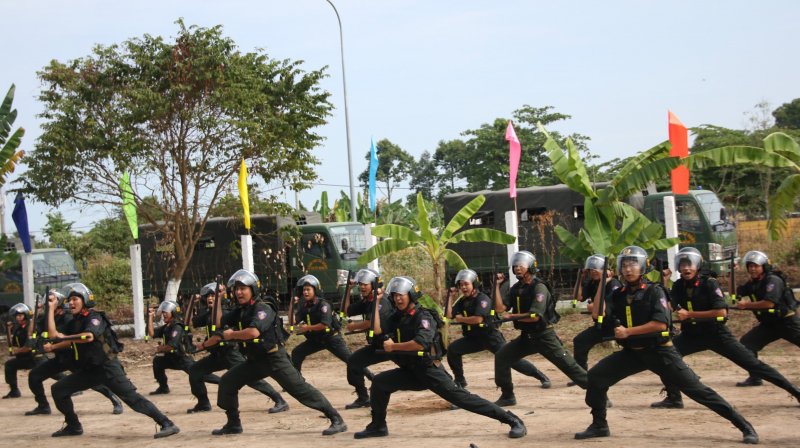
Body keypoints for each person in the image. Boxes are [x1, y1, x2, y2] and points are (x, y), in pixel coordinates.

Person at [575, 246, 758, 444]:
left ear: (643, 267)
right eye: (625, 265)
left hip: (660, 352)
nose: (628, 269)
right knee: (596, 376)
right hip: (632, 353)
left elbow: (660, 324)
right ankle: (599, 425)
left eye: (633, 264)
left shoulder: (655, 291)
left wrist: (628, 332)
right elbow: (597, 314)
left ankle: (743, 425)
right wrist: (602, 284)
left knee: (698, 391)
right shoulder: (618, 293)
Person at [354, 276, 527, 439]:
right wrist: (376, 303)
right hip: (410, 371)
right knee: (380, 382)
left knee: (463, 399)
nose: (398, 298)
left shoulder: (423, 316)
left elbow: (420, 343)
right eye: (395, 295)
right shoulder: (397, 317)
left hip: (429, 370)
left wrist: (394, 347)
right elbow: (377, 330)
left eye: (402, 294)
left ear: (411, 295)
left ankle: (512, 420)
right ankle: (378, 425)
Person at [649, 247, 800, 409]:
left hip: (717, 334)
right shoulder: (679, 285)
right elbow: (668, 308)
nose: (686, 268)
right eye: (683, 264)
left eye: (690, 264)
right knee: (663, 357)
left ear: (698, 265)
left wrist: (690, 314)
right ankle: (674, 398)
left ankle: (795, 392)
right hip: (691, 335)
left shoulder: (709, 283)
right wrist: (665, 281)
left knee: (754, 365)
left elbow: (721, 312)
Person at [210, 270, 346, 436]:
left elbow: (253, 332)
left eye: (243, 288)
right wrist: (218, 298)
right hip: (255, 361)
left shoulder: (263, 308)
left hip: (274, 359)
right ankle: (233, 423)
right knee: (227, 381)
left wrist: (232, 335)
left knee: (300, 390)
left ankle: (336, 419)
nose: (239, 292)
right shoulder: (241, 309)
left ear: (253, 289)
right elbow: (218, 322)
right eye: (236, 289)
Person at [46, 283, 179, 438]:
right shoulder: (75, 322)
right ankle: (73, 426)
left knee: (132, 399)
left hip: (107, 368)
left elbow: (88, 336)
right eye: (70, 300)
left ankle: (167, 424)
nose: (71, 303)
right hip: (90, 370)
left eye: (75, 299)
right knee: (59, 390)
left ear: (85, 300)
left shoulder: (95, 317)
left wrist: (65, 337)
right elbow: (53, 334)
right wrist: (50, 308)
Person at [493, 251, 587, 406]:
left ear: (530, 267)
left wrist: (512, 316)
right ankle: (507, 396)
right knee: (502, 357)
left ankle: (599, 395)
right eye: (515, 265)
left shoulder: (539, 287)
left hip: (544, 336)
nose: (517, 268)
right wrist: (496, 286)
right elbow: (499, 308)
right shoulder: (516, 288)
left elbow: (535, 316)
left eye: (521, 265)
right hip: (527, 337)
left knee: (571, 367)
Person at [446, 269, 549, 401]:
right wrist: (450, 297)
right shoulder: (462, 301)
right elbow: (449, 315)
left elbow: (478, 319)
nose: (463, 287)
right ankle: (460, 380)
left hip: (490, 337)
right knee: (453, 349)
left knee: (511, 359)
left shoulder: (482, 299)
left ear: (474, 284)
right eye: (461, 285)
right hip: (474, 338)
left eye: (466, 284)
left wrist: (461, 319)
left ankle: (539, 375)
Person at [186, 282, 288, 414]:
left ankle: (279, 399)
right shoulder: (208, 315)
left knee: (252, 380)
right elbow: (188, 322)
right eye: (208, 296)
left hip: (230, 354)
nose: (210, 298)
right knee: (195, 370)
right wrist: (191, 303)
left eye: (213, 296)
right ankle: (203, 403)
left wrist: (203, 345)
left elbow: (218, 336)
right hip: (217, 355)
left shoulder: (224, 313)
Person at [25, 289, 123, 416]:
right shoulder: (47, 318)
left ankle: (115, 400)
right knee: (34, 376)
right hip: (60, 357)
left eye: (51, 301)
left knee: (93, 382)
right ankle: (43, 406)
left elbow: (71, 340)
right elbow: (31, 331)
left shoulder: (67, 317)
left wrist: (53, 347)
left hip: (73, 356)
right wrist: (37, 312)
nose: (47, 304)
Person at [291, 275, 370, 398]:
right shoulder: (304, 307)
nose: (305, 292)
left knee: (351, 359)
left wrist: (308, 328)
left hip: (331, 339)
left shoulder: (324, 305)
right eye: (304, 290)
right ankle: (296, 382)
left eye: (308, 290)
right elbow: (293, 321)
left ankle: (372, 377)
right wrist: (291, 305)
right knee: (297, 353)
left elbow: (325, 325)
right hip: (316, 340)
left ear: (315, 290)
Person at [734, 250, 800, 387]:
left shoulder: (772, 280)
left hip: (787, 322)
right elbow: (734, 293)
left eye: (756, 266)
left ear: (764, 266)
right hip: (769, 325)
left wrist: (746, 305)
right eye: (750, 266)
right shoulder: (753, 282)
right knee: (747, 342)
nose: (752, 269)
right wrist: (731, 273)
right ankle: (755, 377)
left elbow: (769, 303)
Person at [569, 255, 622, 387]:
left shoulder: (613, 283)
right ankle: (581, 375)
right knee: (580, 341)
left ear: (606, 270)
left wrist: (595, 306)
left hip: (617, 325)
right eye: (591, 269)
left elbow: (613, 304)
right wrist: (580, 277)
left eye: (597, 268)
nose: (594, 271)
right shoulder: (593, 283)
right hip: (602, 326)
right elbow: (577, 296)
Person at [343, 268, 392, 409]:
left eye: (365, 284)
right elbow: (346, 310)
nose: (362, 287)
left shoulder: (382, 301)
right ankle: (363, 398)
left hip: (393, 345)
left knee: (417, 367)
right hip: (378, 345)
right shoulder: (367, 301)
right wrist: (348, 290)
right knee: (353, 362)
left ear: (374, 285)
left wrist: (354, 326)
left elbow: (370, 322)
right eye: (360, 284)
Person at [146, 300, 219, 395]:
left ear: (173, 312)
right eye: (163, 312)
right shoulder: (167, 326)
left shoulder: (177, 326)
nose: (164, 314)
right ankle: (163, 387)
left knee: (199, 373)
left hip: (183, 358)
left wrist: (162, 348)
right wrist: (150, 316)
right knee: (157, 362)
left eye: (166, 312)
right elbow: (152, 333)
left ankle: (222, 381)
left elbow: (172, 346)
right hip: (172, 358)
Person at [4, 303, 42, 399]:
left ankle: (70, 385)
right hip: (25, 359)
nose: (17, 317)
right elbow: (10, 344)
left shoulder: (30, 327)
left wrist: (18, 350)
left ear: (26, 315)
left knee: (54, 373)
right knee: (9, 365)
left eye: (20, 315)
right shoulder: (19, 329)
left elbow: (29, 347)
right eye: (16, 315)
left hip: (36, 358)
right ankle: (14, 391)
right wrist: (9, 330)